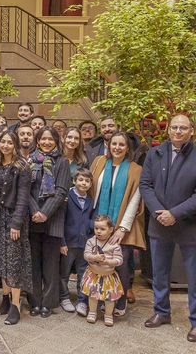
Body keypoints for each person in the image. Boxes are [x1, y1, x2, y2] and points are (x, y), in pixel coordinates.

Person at [140, 114, 196, 342]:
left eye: (183, 128)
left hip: (189, 226)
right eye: (174, 127)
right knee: (159, 273)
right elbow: (145, 185)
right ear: (168, 130)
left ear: (191, 131)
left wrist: (175, 213)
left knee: (194, 276)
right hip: (159, 223)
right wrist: (159, 212)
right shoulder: (155, 153)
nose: (178, 131)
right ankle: (161, 312)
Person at [90, 131, 145, 317]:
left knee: (120, 267)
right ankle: (98, 299)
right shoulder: (98, 163)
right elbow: (91, 190)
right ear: (109, 145)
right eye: (114, 144)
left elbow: (135, 200)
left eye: (122, 144)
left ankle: (119, 302)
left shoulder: (135, 169)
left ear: (127, 148)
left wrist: (122, 228)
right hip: (99, 225)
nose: (117, 148)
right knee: (99, 264)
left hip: (123, 227)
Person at [27, 126, 70, 318]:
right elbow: (25, 190)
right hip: (32, 219)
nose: (46, 142)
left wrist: (44, 213)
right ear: (37, 141)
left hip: (52, 219)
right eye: (43, 139)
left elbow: (61, 191)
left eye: (50, 139)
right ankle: (34, 301)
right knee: (33, 264)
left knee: (51, 265)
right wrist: (34, 210)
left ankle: (48, 302)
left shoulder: (62, 162)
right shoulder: (29, 161)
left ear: (56, 141)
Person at [0, 131, 32, 325]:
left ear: (15, 145)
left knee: (14, 262)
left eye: (9, 142)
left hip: (14, 218)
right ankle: (5, 299)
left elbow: (23, 197)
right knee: (2, 260)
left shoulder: (22, 166)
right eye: (3, 142)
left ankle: (16, 305)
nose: (5, 145)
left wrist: (16, 223)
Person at [59, 168, 95, 317]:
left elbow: (92, 221)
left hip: (84, 244)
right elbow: (61, 221)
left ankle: (82, 300)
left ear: (91, 184)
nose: (83, 183)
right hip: (68, 243)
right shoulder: (67, 197)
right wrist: (62, 242)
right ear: (74, 181)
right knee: (64, 272)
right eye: (80, 180)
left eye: (87, 181)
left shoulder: (90, 201)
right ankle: (64, 297)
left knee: (83, 273)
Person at [81, 215, 124, 326]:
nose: (98, 231)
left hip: (108, 275)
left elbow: (120, 260)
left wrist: (109, 262)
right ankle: (92, 312)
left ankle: (108, 314)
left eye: (102, 229)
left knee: (109, 298)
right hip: (93, 274)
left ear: (111, 230)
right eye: (96, 228)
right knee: (92, 295)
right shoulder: (91, 241)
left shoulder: (114, 244)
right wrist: (94, 257)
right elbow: (86, 255)